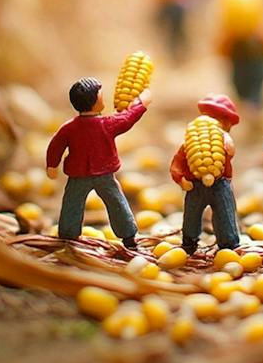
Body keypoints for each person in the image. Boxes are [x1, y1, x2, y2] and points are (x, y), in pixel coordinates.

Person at [46, 76, 151, 249]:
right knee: (113, 202)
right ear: (95, 101)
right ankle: (127, 235)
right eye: (101, 95)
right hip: (98, 174)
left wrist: (52, 165)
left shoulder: (69, 127)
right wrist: (142, 104)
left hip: (84, 174)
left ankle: (69, 235)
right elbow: (127, 119)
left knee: (78, 202)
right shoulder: (105, 124)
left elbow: (55, 145)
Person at [169, 94, 241, 254]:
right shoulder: (186, 144)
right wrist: (180, 179)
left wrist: (228, 149)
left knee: (225, 213)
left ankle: (229, 243)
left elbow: (229, 155)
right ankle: (189, 241)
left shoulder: (225, 140)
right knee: (192, 215)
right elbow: (177, 164)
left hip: (220, 184)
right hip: (195, 185)